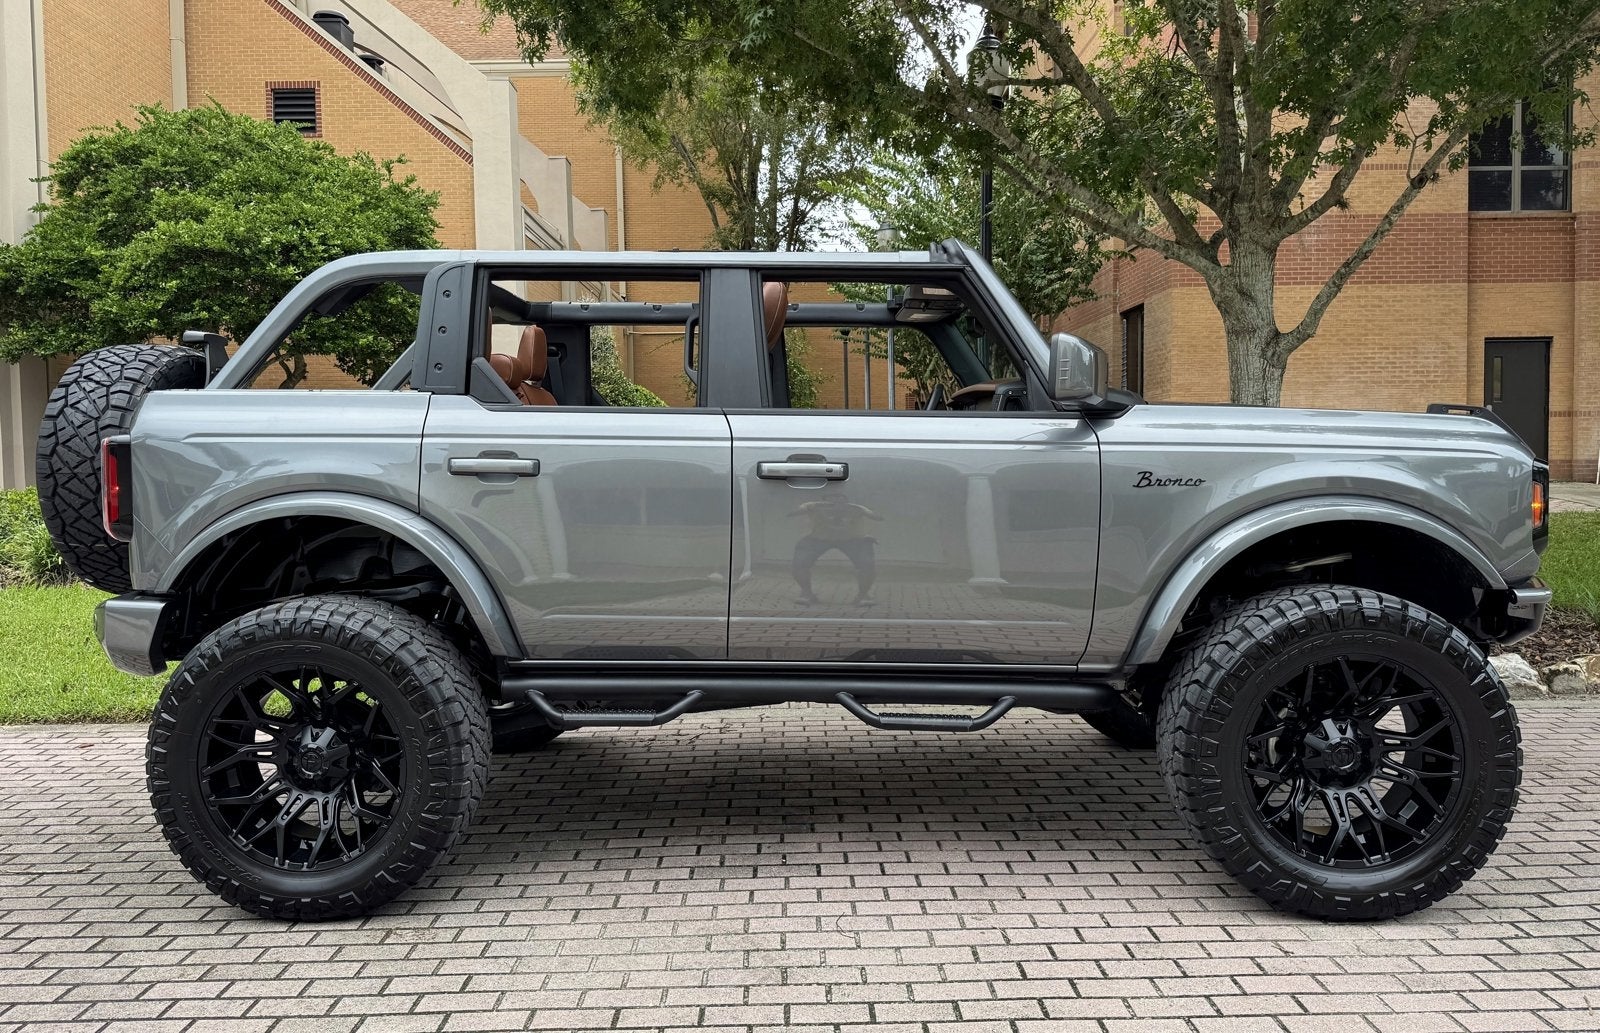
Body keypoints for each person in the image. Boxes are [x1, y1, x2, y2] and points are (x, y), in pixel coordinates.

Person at [789, 491, 885, 605]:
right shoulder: (812, 506)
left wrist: (867, 534)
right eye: (832, 499)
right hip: (818, 538)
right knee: (800, 562)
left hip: (852, 539)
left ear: (846, 501)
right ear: (823, 500)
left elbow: (877, 517)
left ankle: (863, 595)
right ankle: (806, 593)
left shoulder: (857, 508)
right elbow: (795, 513)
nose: (836, 501)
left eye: (840, 498)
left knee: (867, 564)